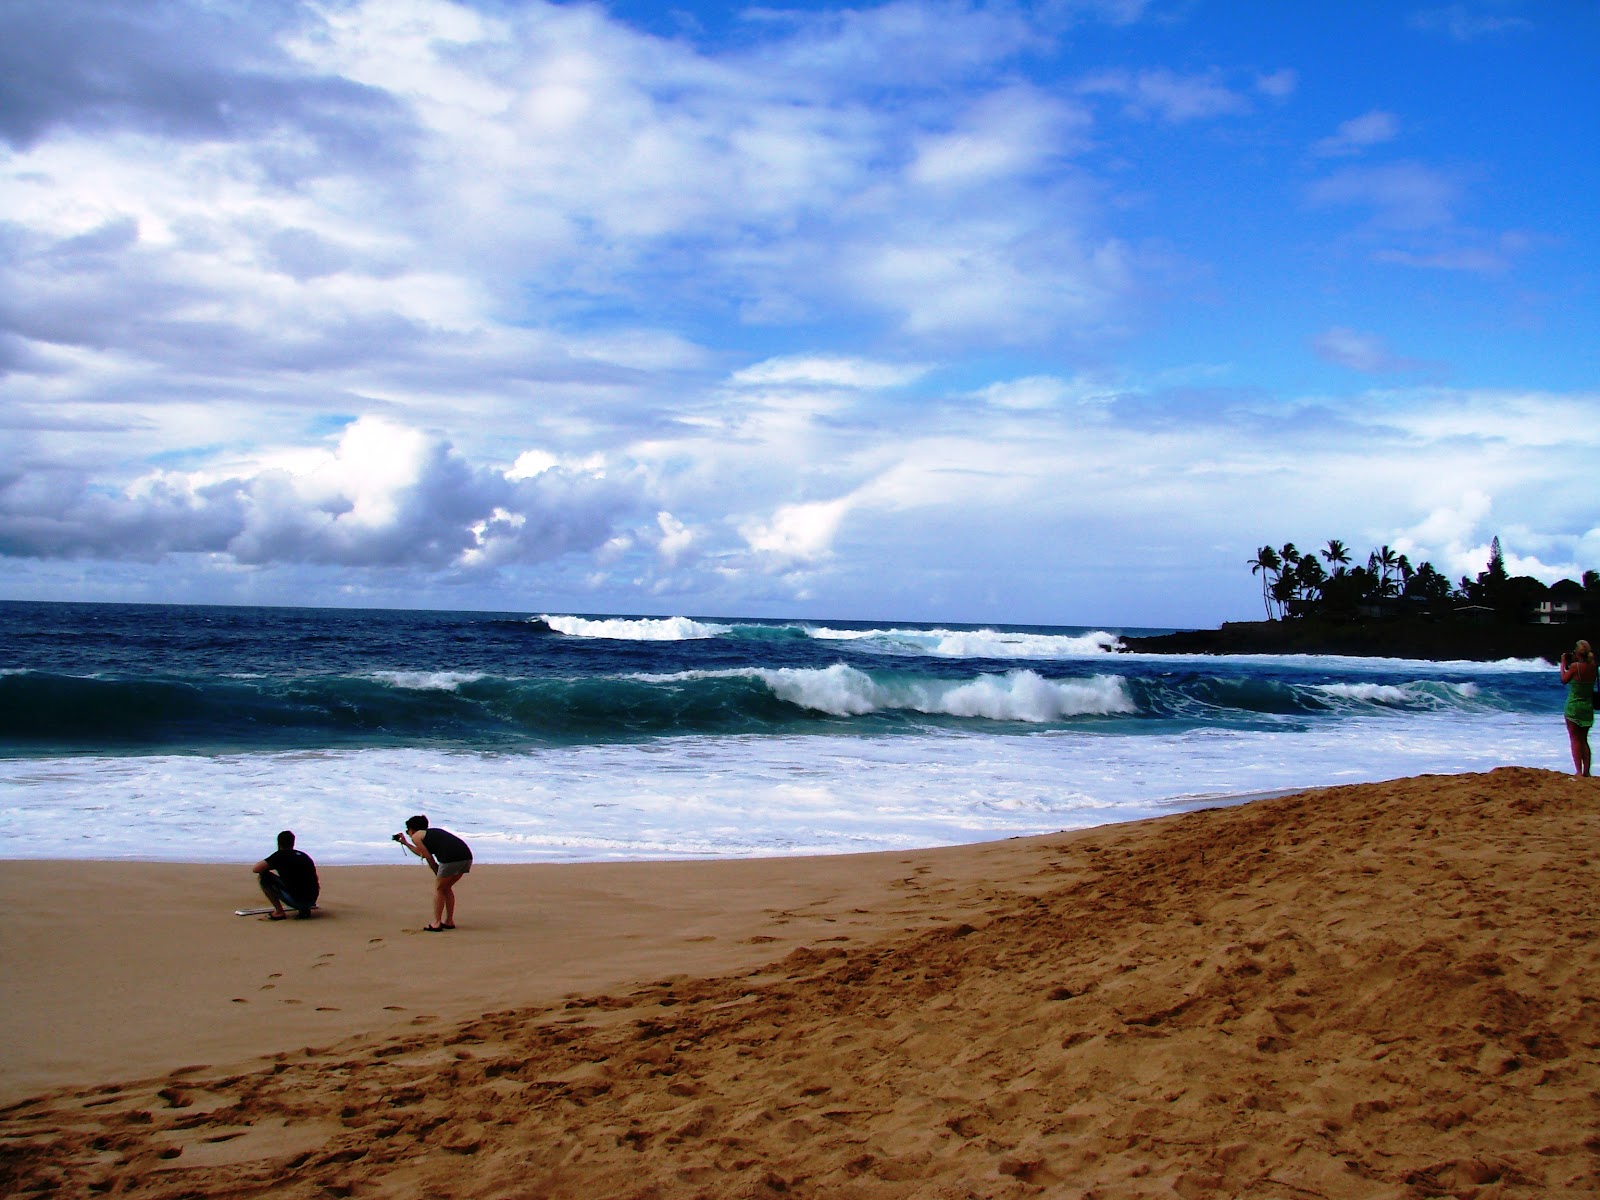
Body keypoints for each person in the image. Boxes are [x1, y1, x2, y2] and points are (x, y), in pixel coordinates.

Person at [398, 815, 472, 931]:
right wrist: (406, 843)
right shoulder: (431, 834)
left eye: (408, 831)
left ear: (412, 829)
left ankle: (437, 923)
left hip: (450, 858)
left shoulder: (417, 836)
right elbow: (422, 852)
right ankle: (449, 921)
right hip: (466, 857)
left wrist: (436, 872)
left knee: (439, 889)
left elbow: (428, 857)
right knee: (446, 887)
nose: (408, 833)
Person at [253, 830, 320, 920]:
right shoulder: (303, 856)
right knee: (302, 879)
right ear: (293, 843)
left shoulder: (279, 856)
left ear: (279, 843)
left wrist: (273, 865)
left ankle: (279, 912)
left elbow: (256, 869)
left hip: (298, 901)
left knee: (264, 876)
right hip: (312, 899)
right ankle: (304, 909)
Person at [1559, 639, 1595, 777]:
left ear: (1577, 653)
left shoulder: (1575, 667)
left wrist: (1563, 664)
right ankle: (1587, 771)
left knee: (1575, 739)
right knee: (1584, 739)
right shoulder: (1592, 666)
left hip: (1574, 706)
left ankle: (1579, 772)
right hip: (1587, 706)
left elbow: (1563, 680)